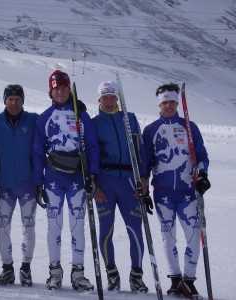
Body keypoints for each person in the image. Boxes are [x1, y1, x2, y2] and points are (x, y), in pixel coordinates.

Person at [32, 70, 100, 291]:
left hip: (77, 179)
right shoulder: (44, 118)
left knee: (78, 226)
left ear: (69, 90)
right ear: (50, 91)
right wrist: (38, 182)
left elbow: (92, 146)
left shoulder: (82, 116)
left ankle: (78, 273)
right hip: (53, 178)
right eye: (56, 89)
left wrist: (93, 174)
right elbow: (37, 151)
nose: (60, 92)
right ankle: (55, 272)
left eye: (64, 88)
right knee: (54, 226)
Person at [143, 83, 211, 299]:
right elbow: (146, 163)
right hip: (163, 192)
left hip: (188, 192)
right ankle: (175, 279)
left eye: (172, 101)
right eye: (165, 102)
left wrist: (203, 174)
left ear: (178, 103)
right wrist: (144, 190)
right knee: (167, 236)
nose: (169, 106)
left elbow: (201, 155)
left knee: (193, 235)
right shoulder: (151, 130)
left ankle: (189, 281)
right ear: (159, 105)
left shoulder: (190, 127)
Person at [91, 80, 151, 293]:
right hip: (105, 183)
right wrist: (94, 186)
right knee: (106, 230)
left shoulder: (130, 119)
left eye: (112, 97)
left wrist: (144, 178)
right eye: (104, 97)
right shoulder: (94, 123)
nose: (108, 101)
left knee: (135, 230)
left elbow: (141, 150)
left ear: (118, 98)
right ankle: (112, 274)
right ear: (98, 99)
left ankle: (136, 275)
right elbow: (90, 156)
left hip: (129, 182)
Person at [0, 84, 38, 287]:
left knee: (29, 227)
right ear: (4, 101)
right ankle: (7, 269)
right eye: (10, 99)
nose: (14, 103)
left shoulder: (33, 120)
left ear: (23, 101)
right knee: (2, 228)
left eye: (18, 99)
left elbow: (54, 119)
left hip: (27, 186)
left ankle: (26, 269)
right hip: (5, 186)